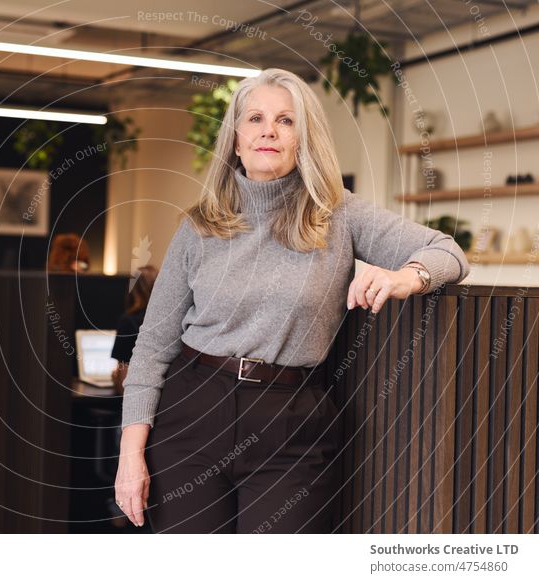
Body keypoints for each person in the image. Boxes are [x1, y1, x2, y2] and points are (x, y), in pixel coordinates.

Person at [113, 68, 471, 534]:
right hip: (191, 415)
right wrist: (129, 457)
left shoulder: (339, 213)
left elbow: (450, 250)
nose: (268, 130)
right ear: (236, 140)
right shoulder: (199, 226)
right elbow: (153, 347)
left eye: (285, 120)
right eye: (255, 118)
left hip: (290, 423)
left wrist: (407, 277)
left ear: (303, 139)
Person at [110, 265, 159, 395]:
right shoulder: (166, 321)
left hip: (137, 396)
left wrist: (115, 378)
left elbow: (124, 375)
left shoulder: (128, 322)